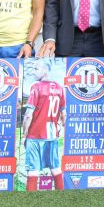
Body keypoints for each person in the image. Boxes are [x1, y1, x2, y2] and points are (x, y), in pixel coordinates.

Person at [21, 59, 66, 191]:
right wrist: (61, 129)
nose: (34, 72)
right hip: (52, 135)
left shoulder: (37, 86)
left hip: (36, 135)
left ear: (45, 70)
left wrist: (24, 135)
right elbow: (64, 114)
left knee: (33, 171)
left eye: (36, 69)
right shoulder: (59, 87)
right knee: (56, 169)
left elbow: (28, 115)